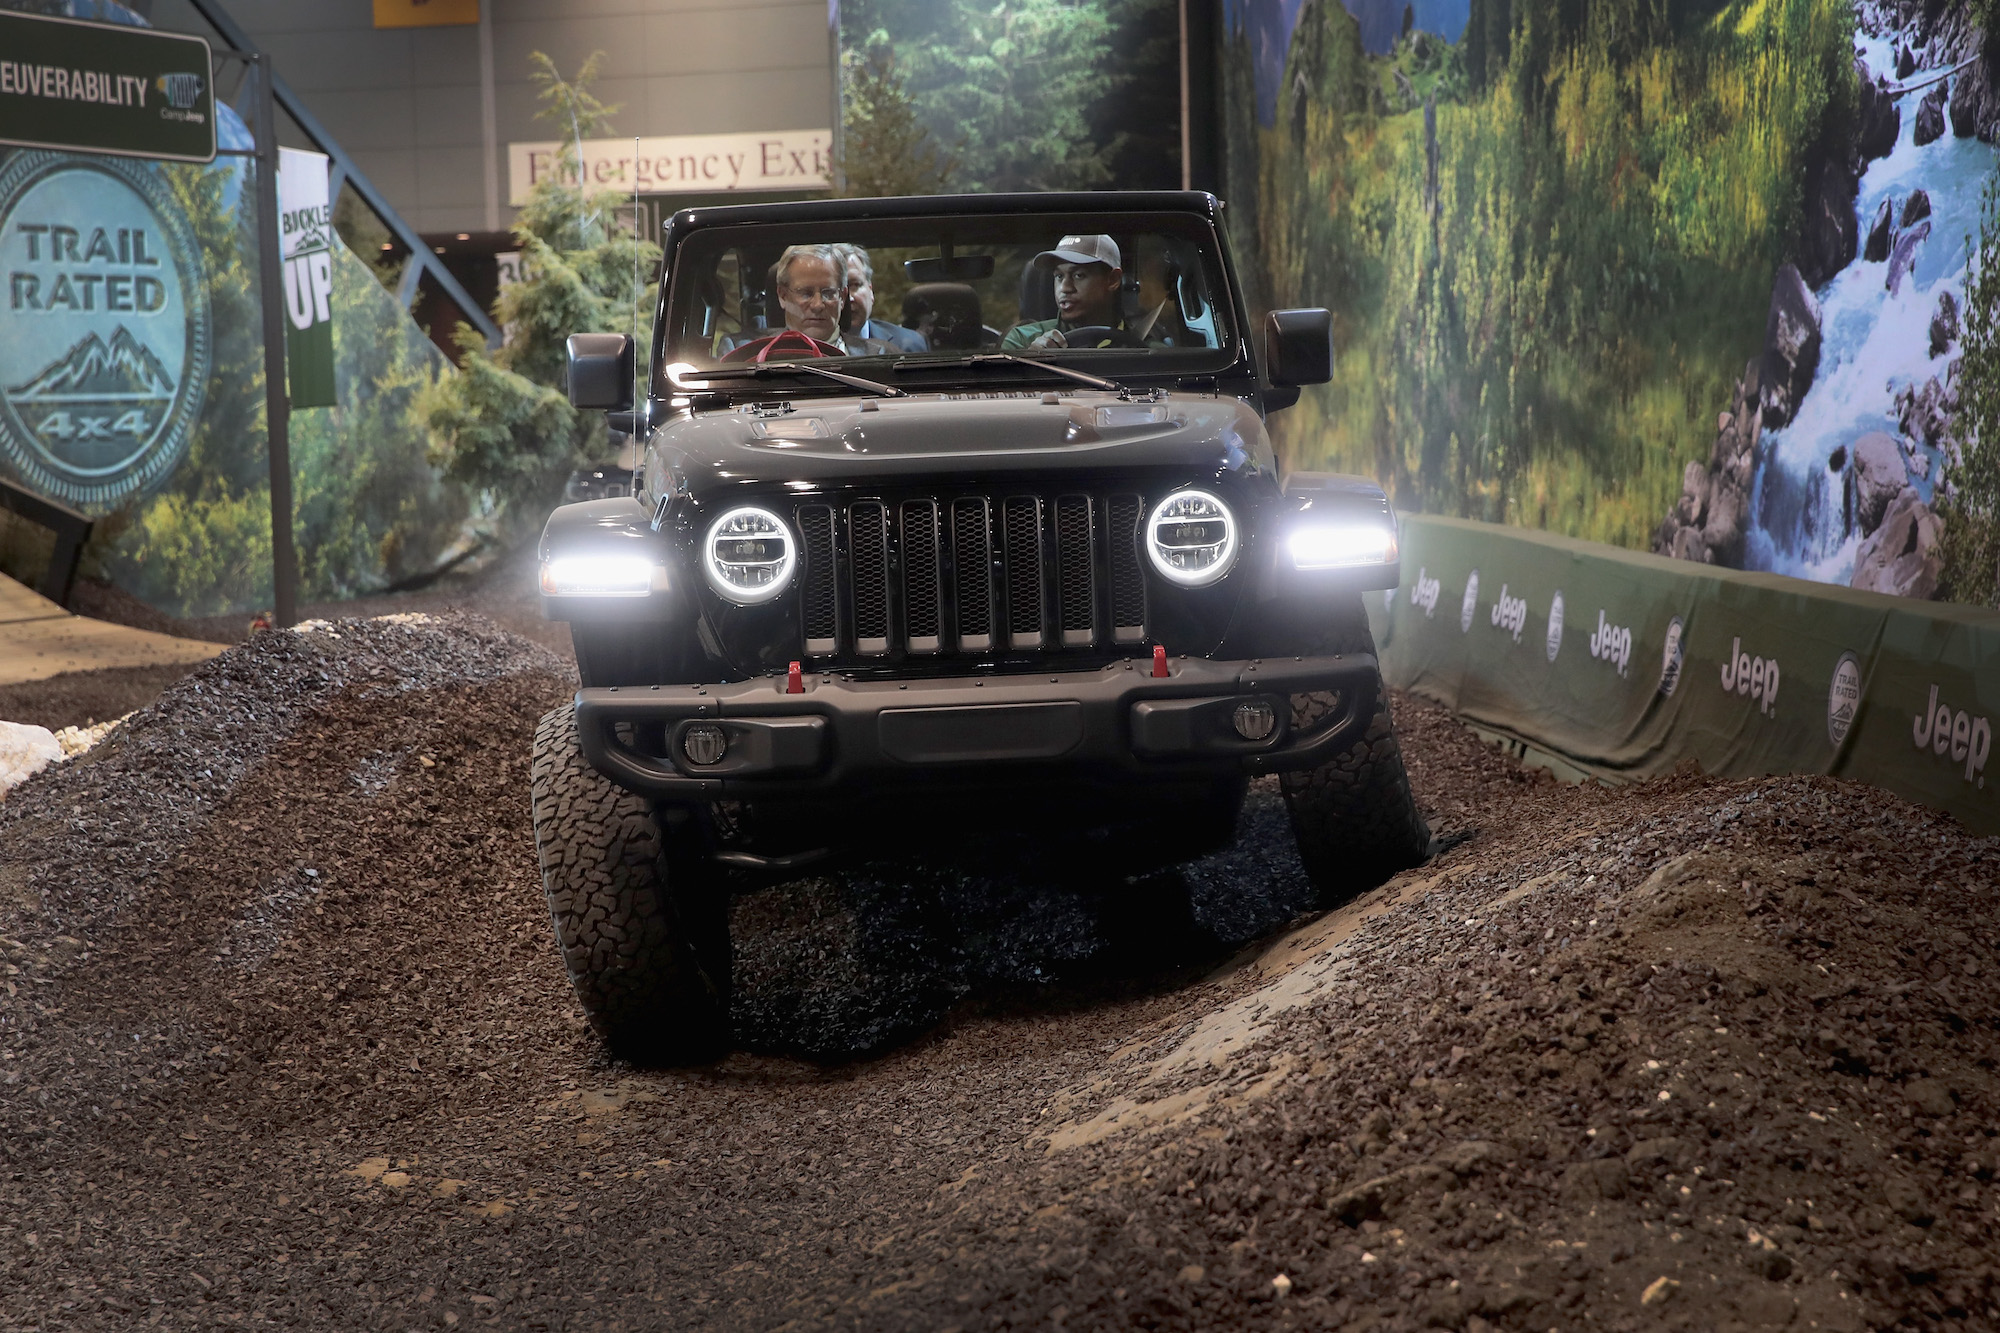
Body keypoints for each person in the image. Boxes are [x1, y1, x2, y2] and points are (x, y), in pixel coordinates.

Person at [1001, 234, 1136, 349]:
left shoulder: (1143, 342)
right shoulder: (1023, 340)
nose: (1064, 288)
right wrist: (1032, 362)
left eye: (1079, 275)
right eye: (1059, 276)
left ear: (1113, 280)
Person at [768, 244, 887, 355]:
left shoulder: (882, 354)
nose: (818, 305)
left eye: (828, 293)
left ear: (842, 297)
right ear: (783, 296)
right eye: (806, 294)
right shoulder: (758, 357)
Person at [833, 243, 928, 352]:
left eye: (855, 285)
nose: (849, 298)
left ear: (870, 290)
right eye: (836, 289)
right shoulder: (816, 349)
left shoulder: (909, 344)